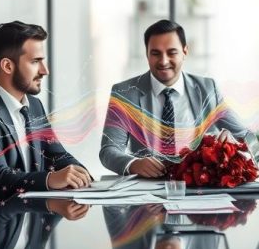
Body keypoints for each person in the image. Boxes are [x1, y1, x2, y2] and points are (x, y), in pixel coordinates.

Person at [0, 21, 92, 216]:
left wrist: (80, 173)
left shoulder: (34, 106)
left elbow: (56, 154)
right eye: (35, 61)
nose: (45, 70)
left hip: (32, 221)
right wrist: (51, 179)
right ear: (7, 66)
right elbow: (0, 180)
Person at [99, 19, 247, 178]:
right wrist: (133, 163)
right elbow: (109, 150)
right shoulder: (125, 93)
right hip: (146, 189)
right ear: (147, 54)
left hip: (198, 189)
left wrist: (232, 141)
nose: (163, 61)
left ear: (185, 51)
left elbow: (245, 136)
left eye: (171, 52)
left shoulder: (207, 89)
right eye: (155, 53)